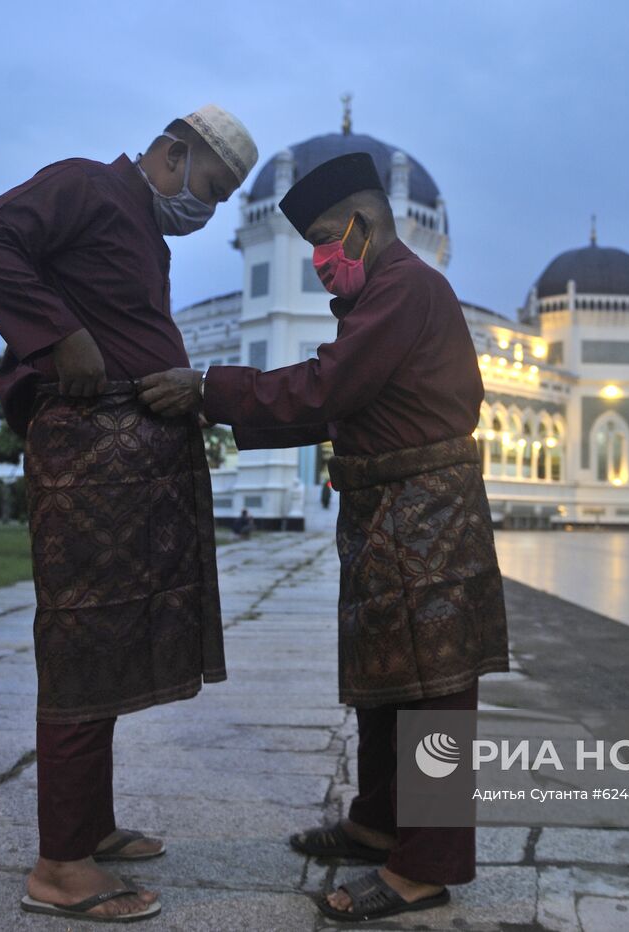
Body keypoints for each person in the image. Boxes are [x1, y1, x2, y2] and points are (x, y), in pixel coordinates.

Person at [136, 152, 509, 923]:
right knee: (387, 677)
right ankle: (377, 823)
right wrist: (222, 401)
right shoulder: (386, 294)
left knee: (434, 689)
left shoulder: (405, 287)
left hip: (427, 513)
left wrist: (211, 387)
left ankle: (424, 868)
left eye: (321, 239)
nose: (315, 259)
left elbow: (326, 385)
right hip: (390, 510)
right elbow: (328, 406)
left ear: (362, 226)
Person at [0, 104, 258, 923]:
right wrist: (59, 336)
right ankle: (59, 867)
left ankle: (88, 824)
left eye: (226, 199)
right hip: (89, 461)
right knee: (85, 640)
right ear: (172, 151)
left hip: (134, 467)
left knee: (115, 641)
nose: (211, 208)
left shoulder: (143, 232)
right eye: (213, 187)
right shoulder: (86, 184)